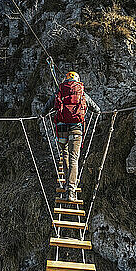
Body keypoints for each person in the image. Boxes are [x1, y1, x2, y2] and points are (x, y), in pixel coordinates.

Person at [42, 71, 101, 201]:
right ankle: (71, 190)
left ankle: (67, 182)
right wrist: (97, 112)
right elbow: (95, 108)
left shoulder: (60, 90)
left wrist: (43, 114)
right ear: (77, 80)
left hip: (61, 127)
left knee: (65, 155)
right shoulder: (80, 91)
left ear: (66, 79)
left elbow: (48, 106)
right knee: (74, 158)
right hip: (76, 128)